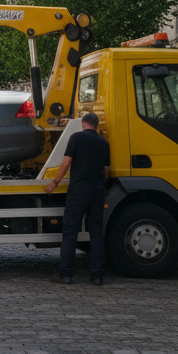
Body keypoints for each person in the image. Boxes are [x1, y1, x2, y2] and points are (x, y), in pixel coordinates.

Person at [43, 112, 111, 285]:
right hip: (97, 189)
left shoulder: (76, 138)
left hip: (79, 189)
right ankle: (97, 276)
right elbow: (106, 171)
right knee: (96, 232)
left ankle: (65, 274)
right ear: (96, 126)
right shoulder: (104, 143)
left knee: (71, 231)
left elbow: (66, 163)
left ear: (83, 124)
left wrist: (54, 183)